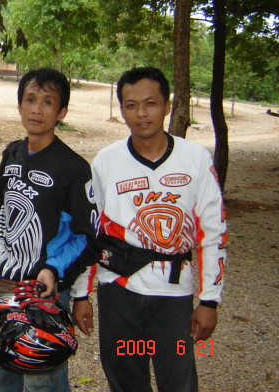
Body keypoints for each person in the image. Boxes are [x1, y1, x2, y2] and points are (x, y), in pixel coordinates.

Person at [71, 66, 227, 392]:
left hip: (174, 297)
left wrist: (209, 301)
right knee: (125, 381)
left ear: (167, 105)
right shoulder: (106, 162)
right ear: (122, 110)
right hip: (118, 292)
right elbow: (91, 231)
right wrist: (81, 294)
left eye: (151, 103)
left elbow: (212, 233)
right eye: (131, 105)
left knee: (179, 381)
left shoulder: (196, 159)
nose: (141, 113)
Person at [0, 68, 98, 392]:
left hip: (43, 292)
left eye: (48, 102)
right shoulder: (11, 153)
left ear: (61, 112)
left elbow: (86, 237)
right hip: (2, 287)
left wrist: (53, 270)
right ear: (19, 105)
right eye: (30, 99)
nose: (37, 109)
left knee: (43, 379)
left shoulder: (74, 168)